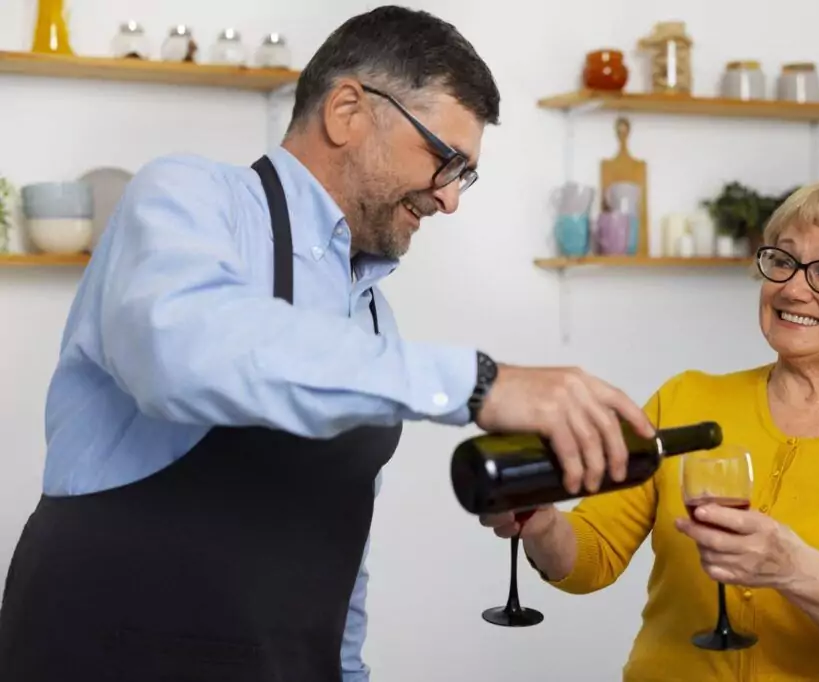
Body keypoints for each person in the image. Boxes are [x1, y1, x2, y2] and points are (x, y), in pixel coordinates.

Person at [0, 6, 655, 682]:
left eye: (466, 175)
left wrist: (347, 672)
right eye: (445, 159)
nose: (452, 200)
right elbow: (185, 354)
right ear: (347, 110)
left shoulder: (374, 320)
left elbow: (340, 546)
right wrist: (483, 382)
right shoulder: (191, 200)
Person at [482, 180, 819, 681]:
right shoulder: (686, 400)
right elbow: (593, 556)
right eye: (783, 260)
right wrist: (543, 525)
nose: (793, 287)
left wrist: (794, 568)